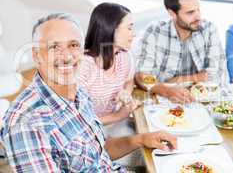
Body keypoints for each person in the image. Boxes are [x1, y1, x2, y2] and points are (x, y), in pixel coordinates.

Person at [0, 13, 177, 172]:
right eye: (54, 47)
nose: (67, 56)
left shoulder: (79, 92)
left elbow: (98, 150)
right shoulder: (25, 123)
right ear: (37, 55)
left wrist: (141, 139)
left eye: (73, 45)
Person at [135, 0, 225, 104]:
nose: (198, 17)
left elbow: (215, 73)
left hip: (202, 97)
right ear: (172, 13)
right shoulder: (155, 32)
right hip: (163, 98)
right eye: (190, 12)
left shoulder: (209, 29)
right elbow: (142, 76)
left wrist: (174, 80)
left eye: (198, 9)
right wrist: (166, 90)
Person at [78, 3, 138, 126]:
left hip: (113, 124)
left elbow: (129, 81)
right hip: (88, 132)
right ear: (111, 29)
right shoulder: (83, 66)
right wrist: (119, 115)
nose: (134, 33)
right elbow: (78, 120)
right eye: (129, 28)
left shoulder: (125, 57)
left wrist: (125, 92)